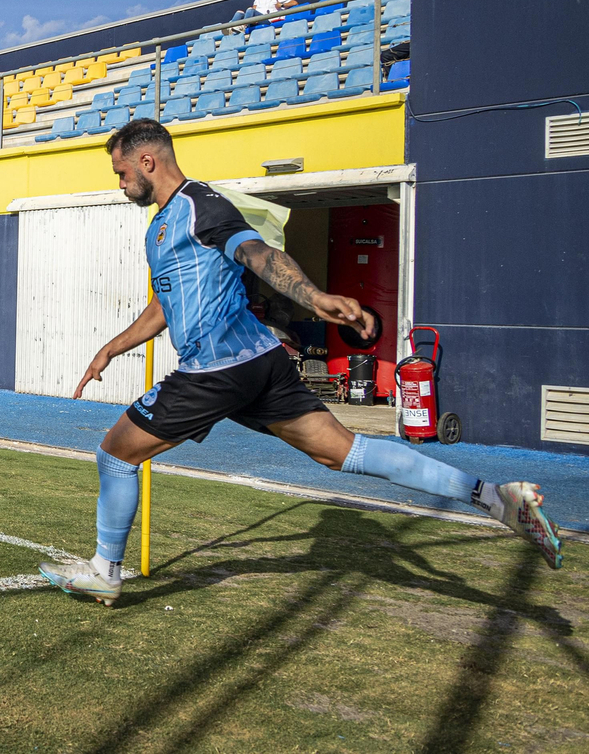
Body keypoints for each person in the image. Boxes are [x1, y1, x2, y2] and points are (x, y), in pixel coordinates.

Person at [38, 119, 563, 606]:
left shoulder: (202, 205)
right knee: (346, 452)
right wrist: (111, 349)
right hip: (261, 364)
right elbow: (164, 307)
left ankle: (105, 571)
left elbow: (258, 253)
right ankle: (495, 498)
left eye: (122, 172)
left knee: (116, 453)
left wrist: (314, 297)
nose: (121, 183)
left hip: (216, 369)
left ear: (147, 161)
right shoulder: (162, 225)